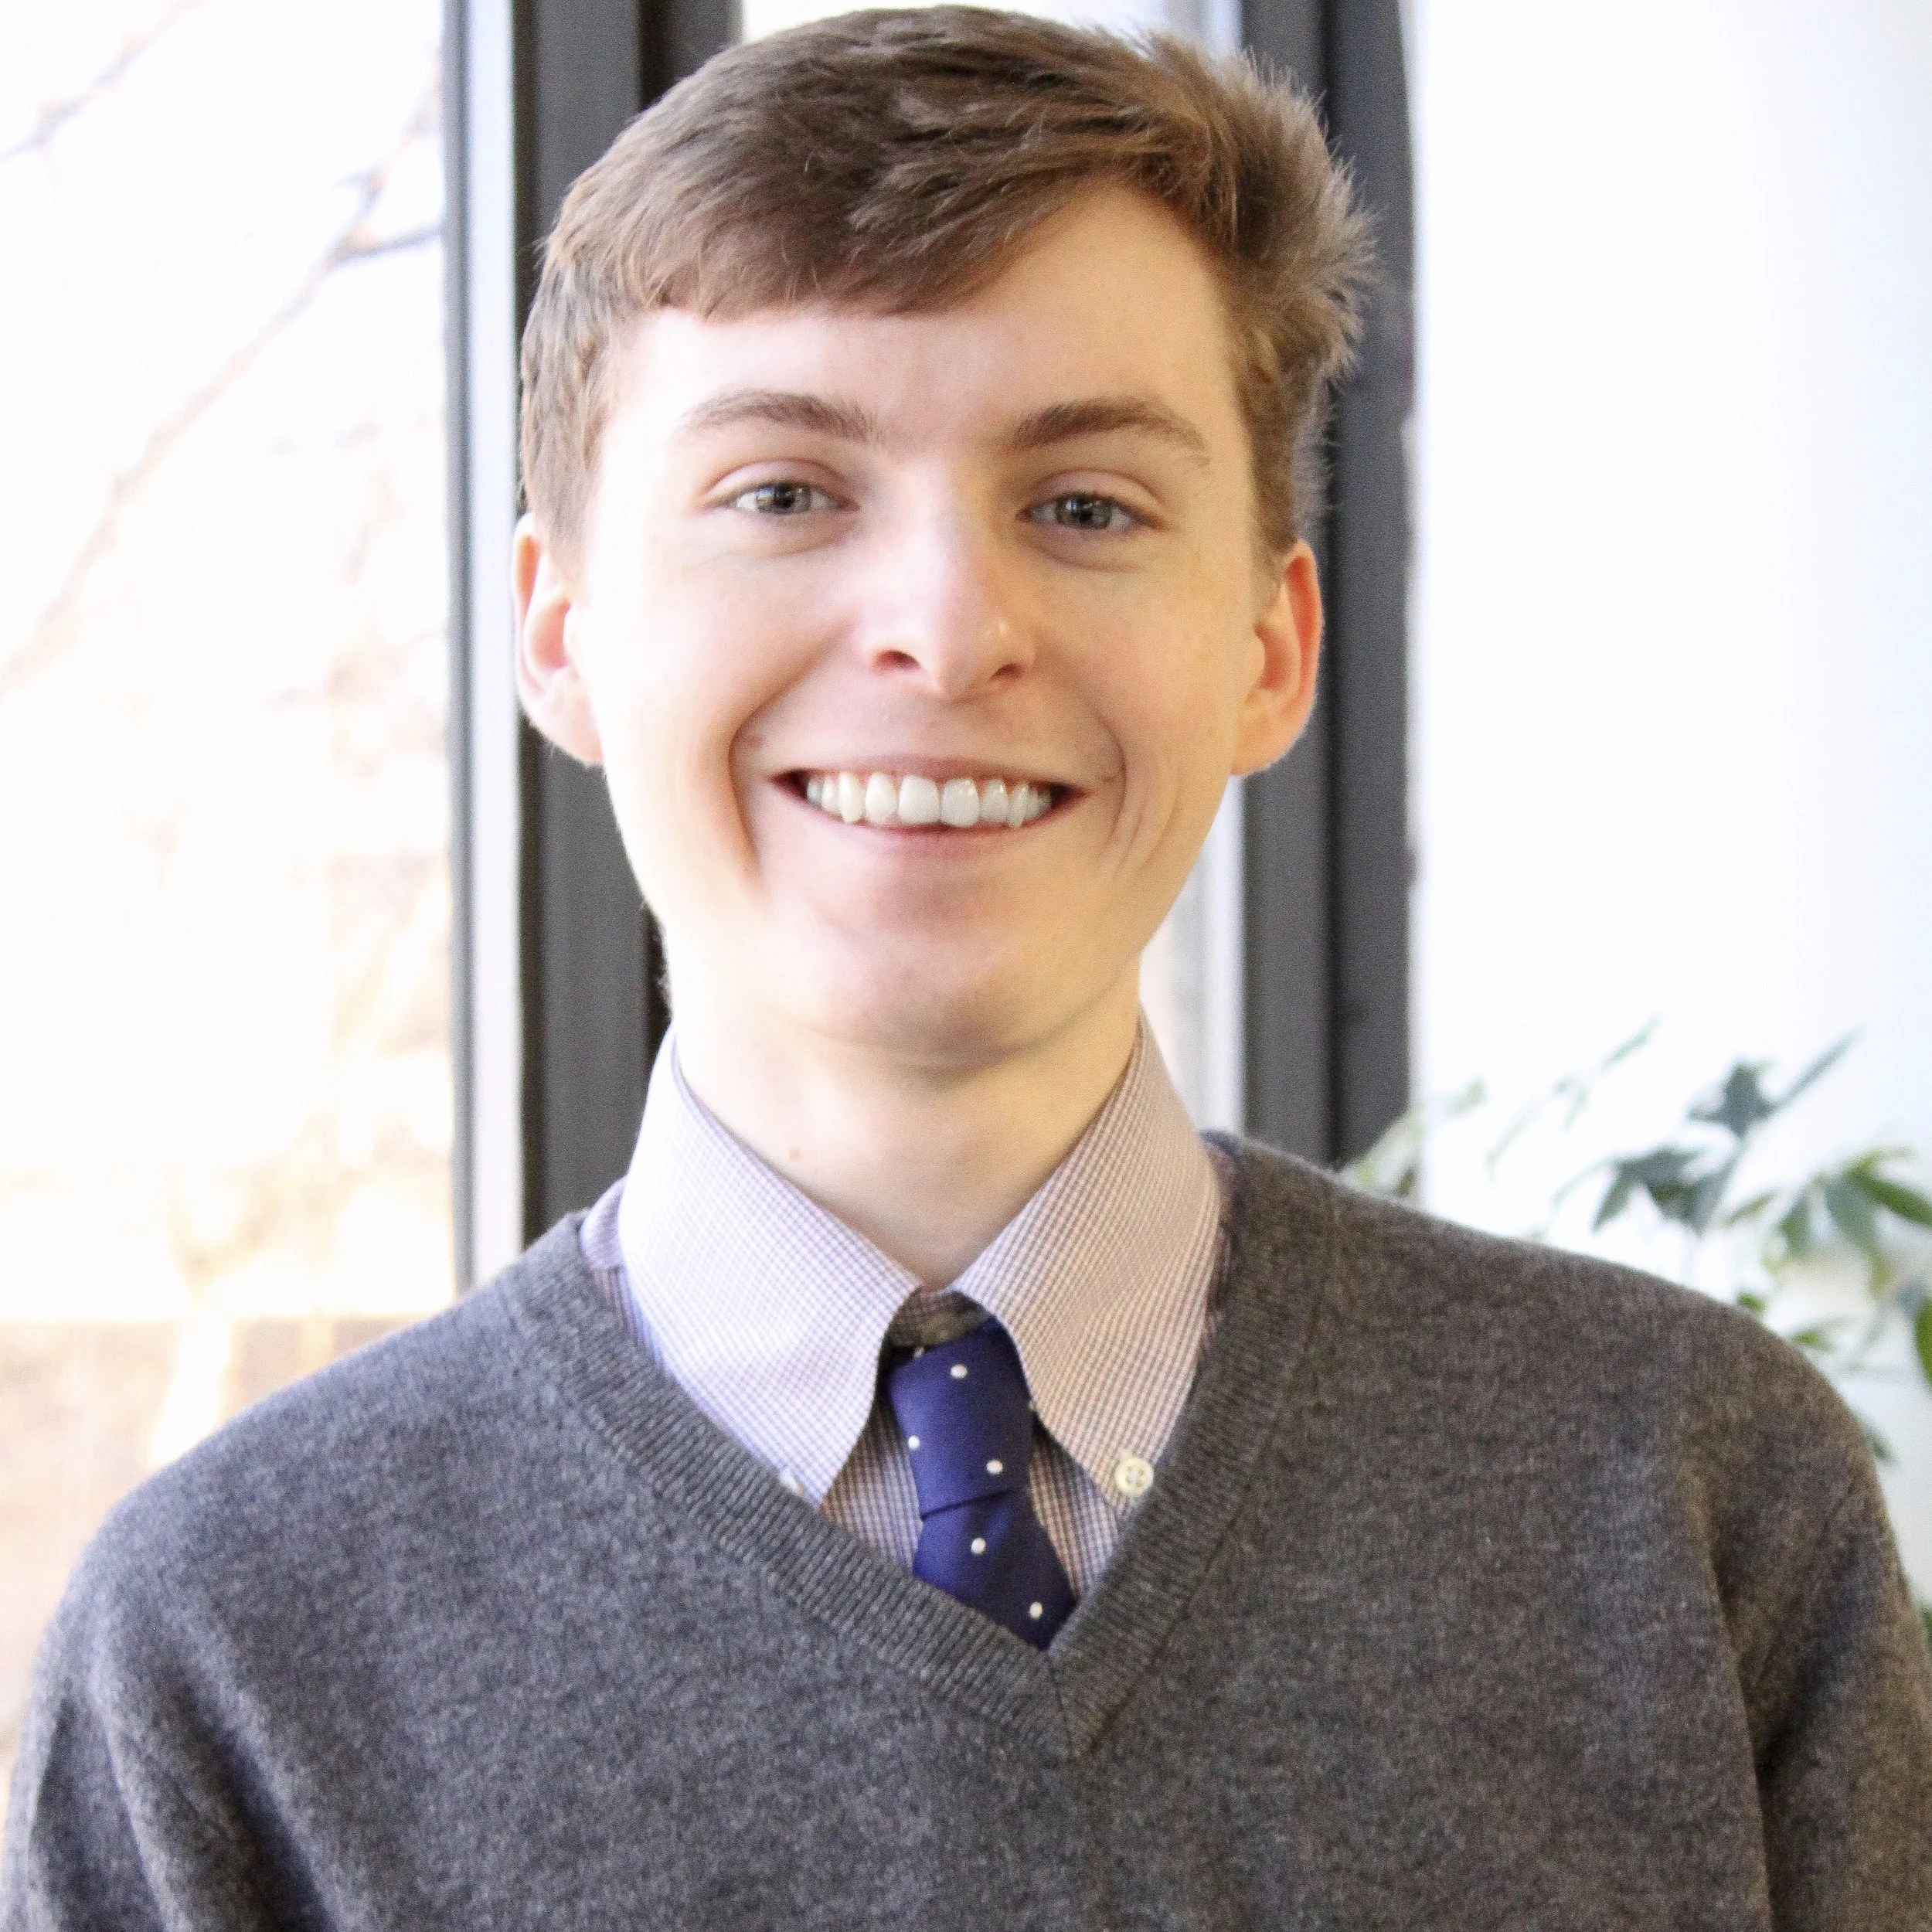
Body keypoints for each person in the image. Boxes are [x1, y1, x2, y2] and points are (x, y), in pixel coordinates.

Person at [5, 8, 1929, 1925]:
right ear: (561, 626)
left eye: (1084, 505)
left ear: (1266, 648)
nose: (943, 625)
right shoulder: (231, 1647)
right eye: (783, 492)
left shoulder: (1686, 1503)